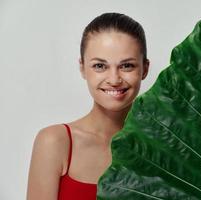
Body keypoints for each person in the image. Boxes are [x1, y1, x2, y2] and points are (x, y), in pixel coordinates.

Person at [26, 12, 149, 200]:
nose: (114, 79)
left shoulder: (162, 146)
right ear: (82, 67)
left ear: (145, 69)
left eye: (127, 66)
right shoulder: (55, 142)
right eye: (100, 66)